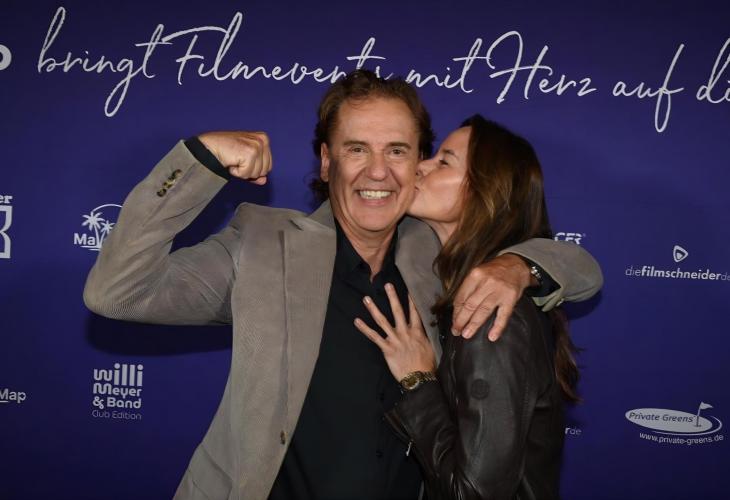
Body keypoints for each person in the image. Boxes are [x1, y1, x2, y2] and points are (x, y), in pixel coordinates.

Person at [83, 71, 602, 500]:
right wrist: (198, 160)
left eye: (397, 151)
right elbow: (117, 294)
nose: (378, 172)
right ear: (327, 161)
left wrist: (520, 265)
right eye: (357, 149)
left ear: (417, 164)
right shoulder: (261, 246)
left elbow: (579, 267)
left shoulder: (439, 258)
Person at [355, 115, 578, 499]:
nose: (420, 166)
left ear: (485, 193)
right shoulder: (467, 289)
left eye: (444, 161)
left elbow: (472, 492)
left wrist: (417, 380)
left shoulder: (491, 313)